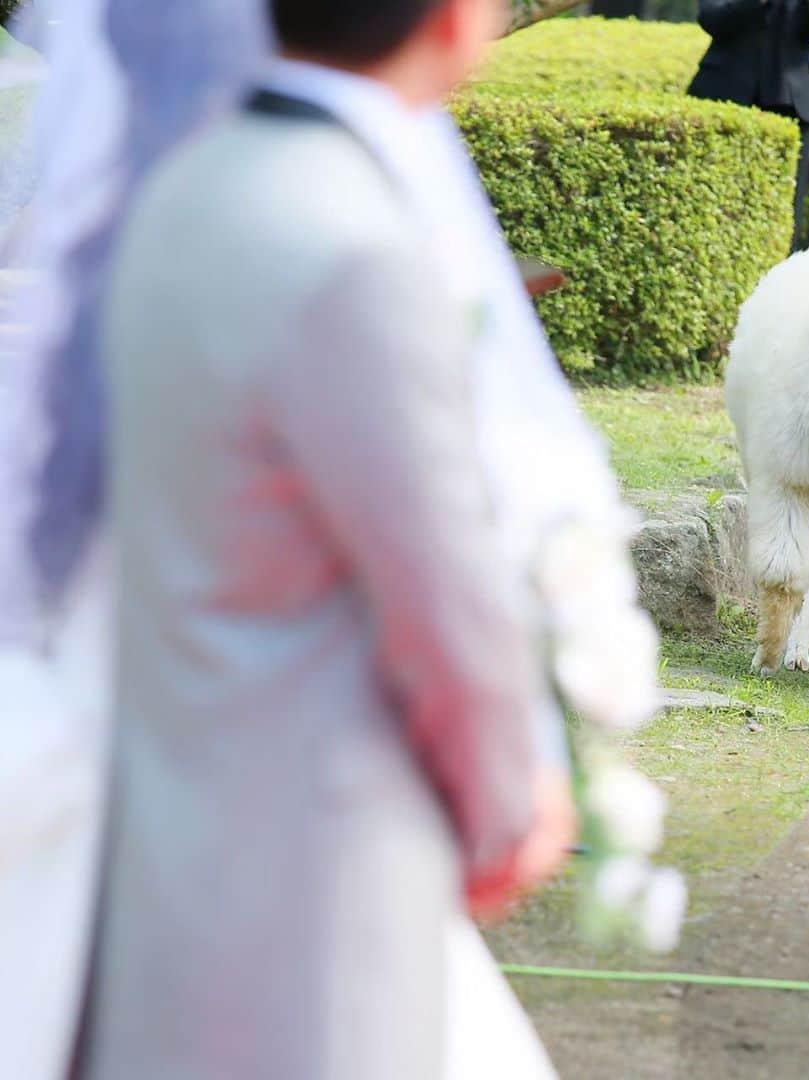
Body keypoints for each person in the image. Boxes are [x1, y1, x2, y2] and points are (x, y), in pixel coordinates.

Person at [67, 1, 580, 1076]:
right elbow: (441, 589)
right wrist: (511, 799)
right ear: (452, 19)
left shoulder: (179, 193)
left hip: (170, 840)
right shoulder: (356, 249)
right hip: (324, 860)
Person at [688, 0, 809, 251]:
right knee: (721, 201)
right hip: (727, 97)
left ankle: (782, 277)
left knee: (788, 208)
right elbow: (712, 19)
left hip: (792, 102)